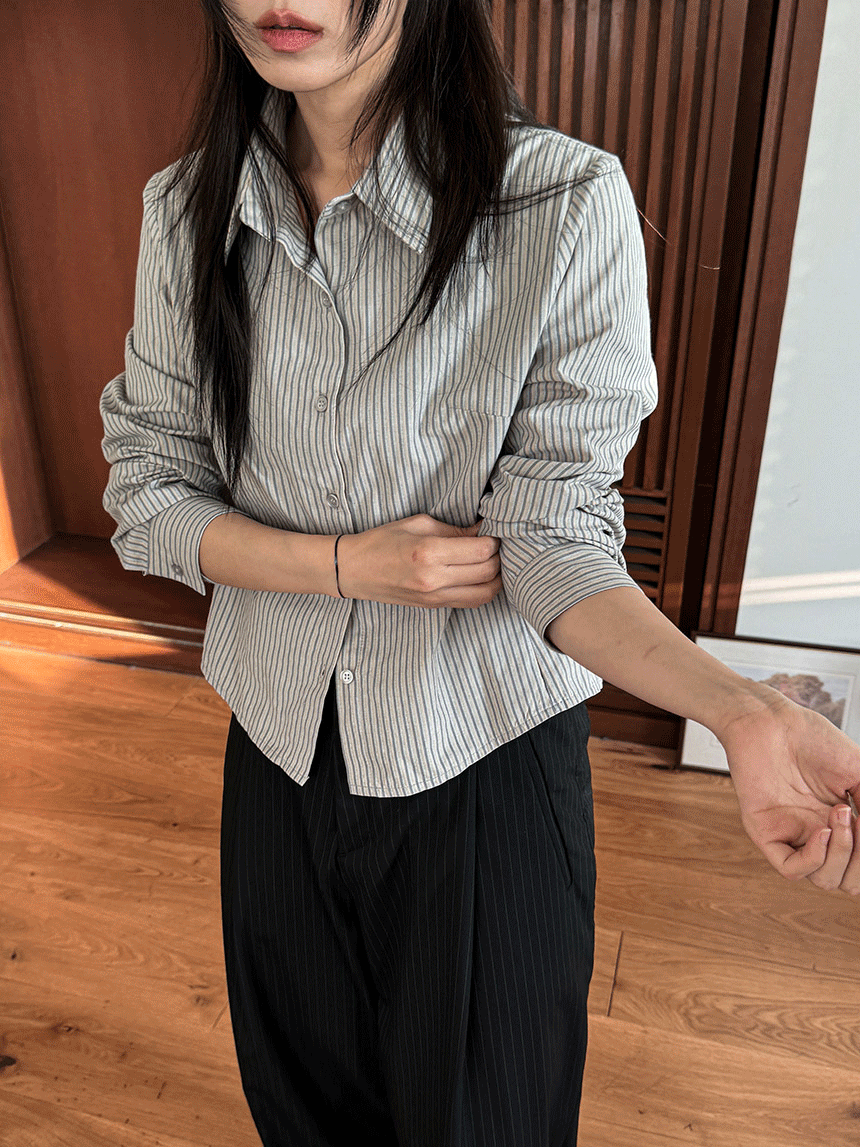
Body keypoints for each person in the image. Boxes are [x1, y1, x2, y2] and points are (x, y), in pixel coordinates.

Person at [100, 2, 860, 1144]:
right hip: (275, 741)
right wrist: (344, 566)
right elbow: (148, 491)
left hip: (479, 757)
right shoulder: (184, 209)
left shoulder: (560, 204)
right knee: (300, 1107)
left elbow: (554, 538)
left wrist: (739, 709)